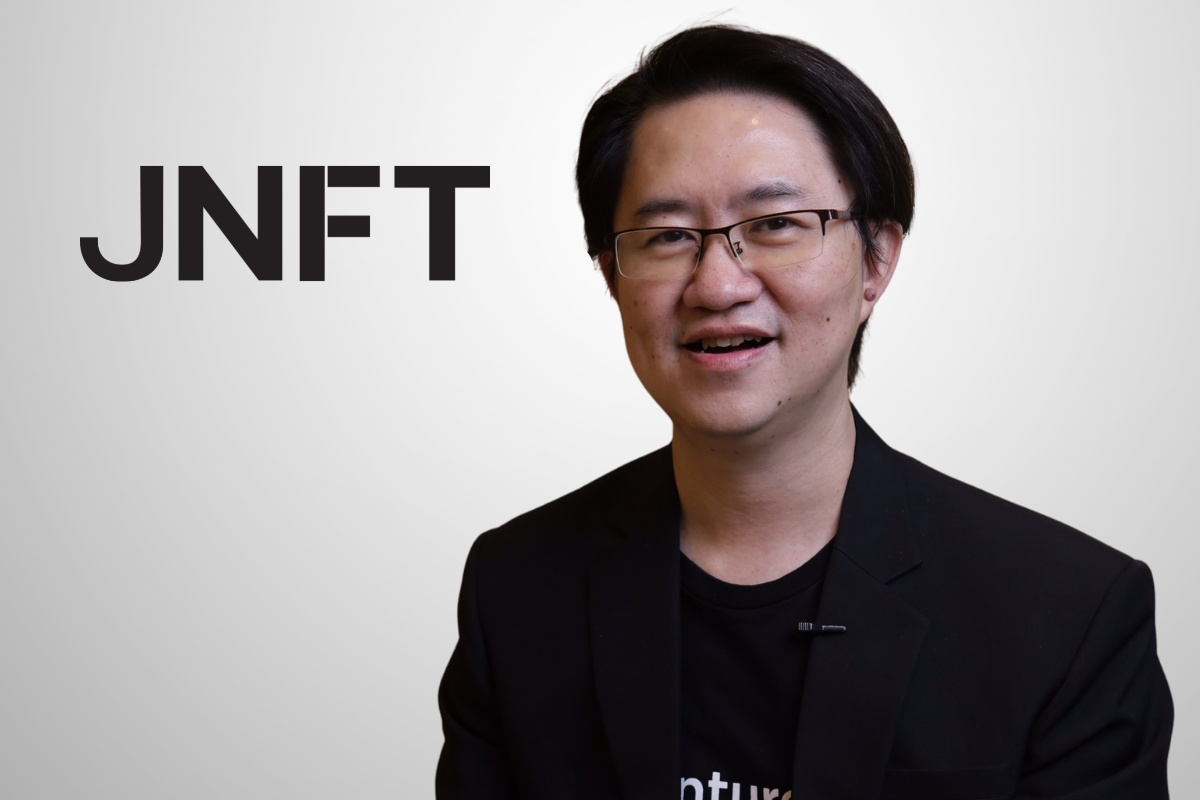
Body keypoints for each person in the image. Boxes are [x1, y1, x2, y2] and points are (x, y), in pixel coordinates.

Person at [436, 25, 1173, 800]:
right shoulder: (516, 587)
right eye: (667, 236)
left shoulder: (1067, 614)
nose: (718, 285)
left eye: (774, 225)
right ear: (611, 275)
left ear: (876, 259)